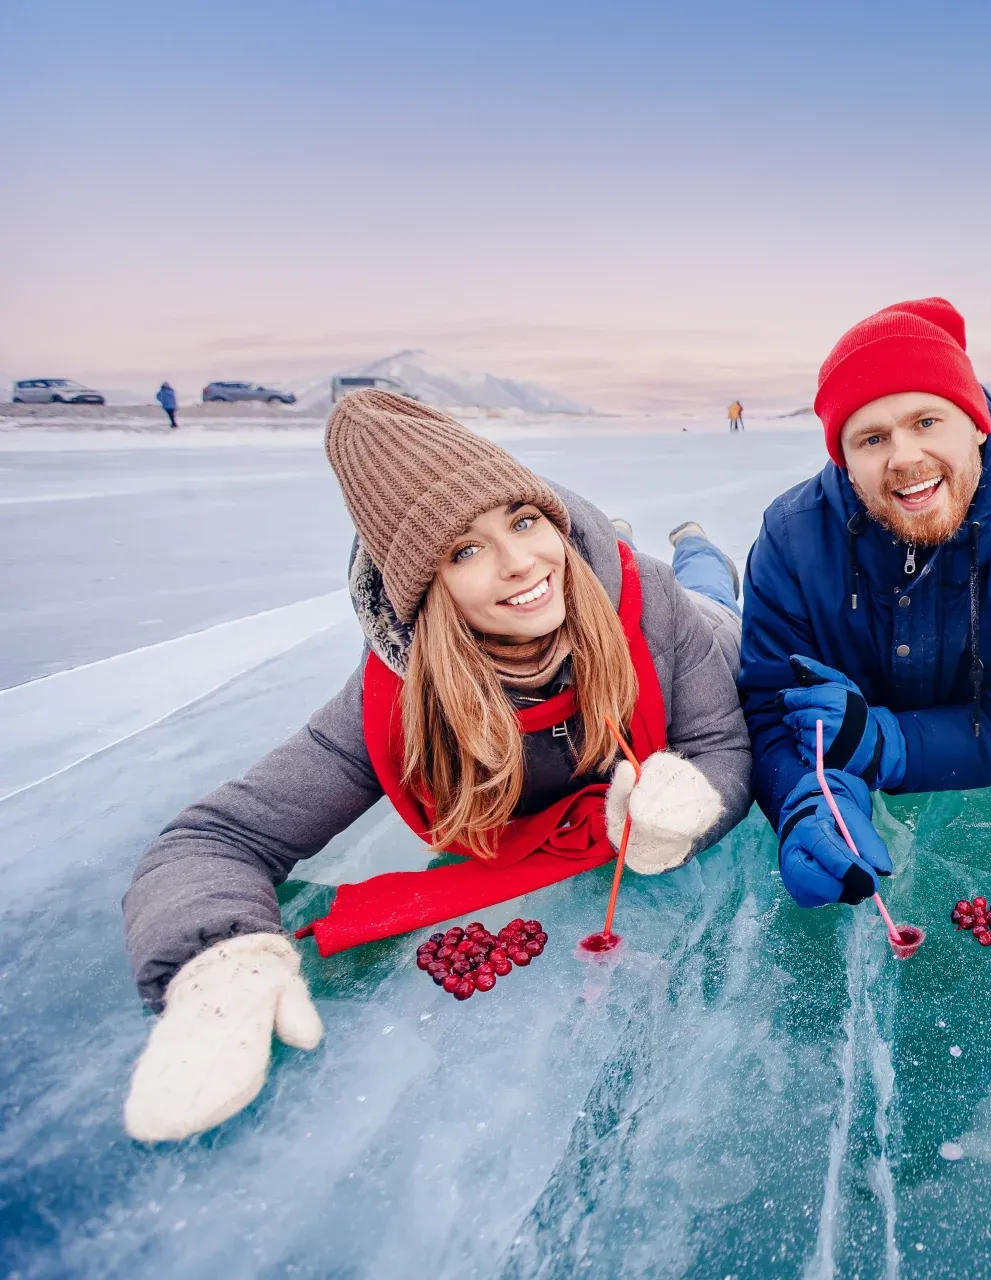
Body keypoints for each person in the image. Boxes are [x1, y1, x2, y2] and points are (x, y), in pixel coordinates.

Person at [120, 391, 751, 1142]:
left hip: (705, 627)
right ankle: (614, 541)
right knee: (578, 576)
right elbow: (215, 839)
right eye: (465, 550)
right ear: (425, 586)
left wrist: (694, 808)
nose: (519, 562)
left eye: (524, 521)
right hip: (596, 587)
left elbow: (721, 745)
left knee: (708, 583)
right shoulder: (394, 704)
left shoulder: (651, 607)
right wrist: (213, 962)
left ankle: (690, 542)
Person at [739, 297, 991, 908]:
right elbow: (768, 702)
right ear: (845, 458)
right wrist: (805, 798)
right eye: (872, 437)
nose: (905, 457)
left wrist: (885, 743)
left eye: (927, 422)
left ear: (977, 423)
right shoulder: (792, 538)